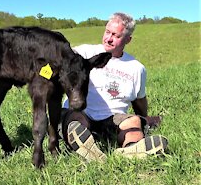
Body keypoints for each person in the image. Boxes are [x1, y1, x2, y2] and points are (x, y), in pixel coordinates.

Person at [60, 12, 168, 162]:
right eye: (107, 32)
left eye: (116, 36)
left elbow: (139, 100)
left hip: (113, 118)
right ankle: (84, 143)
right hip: (82, 112)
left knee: (133, 122)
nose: (109, 38)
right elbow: (59, 57)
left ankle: (132, 148)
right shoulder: (84, 53)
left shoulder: (136, 68)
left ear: (128, 40)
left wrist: (143, 118)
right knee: (75, 120)